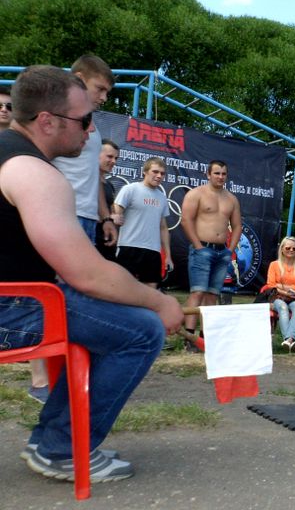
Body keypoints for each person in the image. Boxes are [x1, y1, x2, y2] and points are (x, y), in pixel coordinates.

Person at [0, 65, 183, 482]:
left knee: (110, 318)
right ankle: (62, 449)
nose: (90, 130)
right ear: (46, 121)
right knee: (142, 330)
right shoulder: (35, 174)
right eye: (84, 120)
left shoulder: (8, 154)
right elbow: (87, 274)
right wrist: (160, 302)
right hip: (11, 308)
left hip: (16, 298)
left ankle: (51, 440)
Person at [0, 83, 49, 403]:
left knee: (39, 302)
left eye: (8, 106)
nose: (3, 110)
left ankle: (40, 380)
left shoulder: (27, 152)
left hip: (21, 249)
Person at [51, 55, 117, 245]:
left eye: (107, 92)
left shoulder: (91, 124)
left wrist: (105, 217)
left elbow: (92, 175)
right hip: (61, 214)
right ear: (79, 79)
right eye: (100, 89)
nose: (104, 97)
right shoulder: (53, 113)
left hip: (88, 217)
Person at [180, 160, 242, 342]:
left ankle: (205, 338)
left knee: (212, 295)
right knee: (197, 292)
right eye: (216, 173)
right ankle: (189, 338)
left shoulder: (231, 199)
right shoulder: (196, 194)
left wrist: (230, 250)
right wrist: (198, 246)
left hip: (222, 252)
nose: (220, 177)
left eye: (223, 174)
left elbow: (237, 226)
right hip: (202, 249)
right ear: (208, 174)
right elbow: (186, 220)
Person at [111, 157, 173, 288]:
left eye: (162, 173)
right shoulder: (130, 189)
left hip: (153, 250)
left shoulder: (162, 197)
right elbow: (116, 211)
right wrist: (114, 216)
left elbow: (163, 228)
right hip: (129, 246)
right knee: (123, 288)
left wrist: (168, 256)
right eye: (155, 172)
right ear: (144, 171)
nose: (159, 176)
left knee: (151, 289)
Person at [263, 236, 295, 351]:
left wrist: (281, 286)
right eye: (288, 247)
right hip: (278, 298)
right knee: (282, 307)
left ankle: (288, 340)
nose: (291, 250)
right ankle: (291, 340)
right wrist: (288, 290)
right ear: (282, 249)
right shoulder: (274, 265)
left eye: (294, 249)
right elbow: (271, 285)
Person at [95, 139, 120, 259]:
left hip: (106, 242)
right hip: (87, 238)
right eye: (109, 156)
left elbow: (112, 212)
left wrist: (115, 218)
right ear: (96, 154)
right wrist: (107, 218)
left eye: (116, 158)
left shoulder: (109, 185)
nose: (113, 161)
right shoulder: (85, 180)